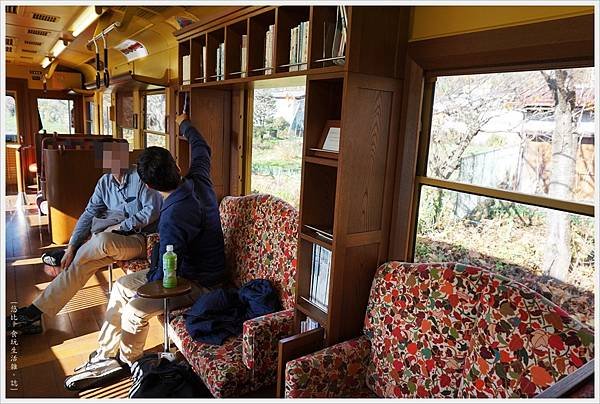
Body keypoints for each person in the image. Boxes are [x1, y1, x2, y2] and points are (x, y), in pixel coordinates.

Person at [64, 114, 226, 390]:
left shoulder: (174, 215)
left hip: (199, 282)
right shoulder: (199, 177)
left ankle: (133, 364)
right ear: (176, 164)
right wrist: (185, 122)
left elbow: (167, 272)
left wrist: (146, 289)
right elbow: (202, 147)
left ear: (148, 186)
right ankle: (105, 354)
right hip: (183, 269)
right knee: (120, 288)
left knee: (134, 313)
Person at [8, 141, 162, 335]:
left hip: (141, 240)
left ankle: (69, 253)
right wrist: (72, 245)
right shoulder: (104, 182)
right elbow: (89, 214)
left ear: (125, 156)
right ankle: (35, 312)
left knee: (102, 240)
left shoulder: (140, 178)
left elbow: (151, 211)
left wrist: (119, 227)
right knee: (79, 265)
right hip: (112, 240)